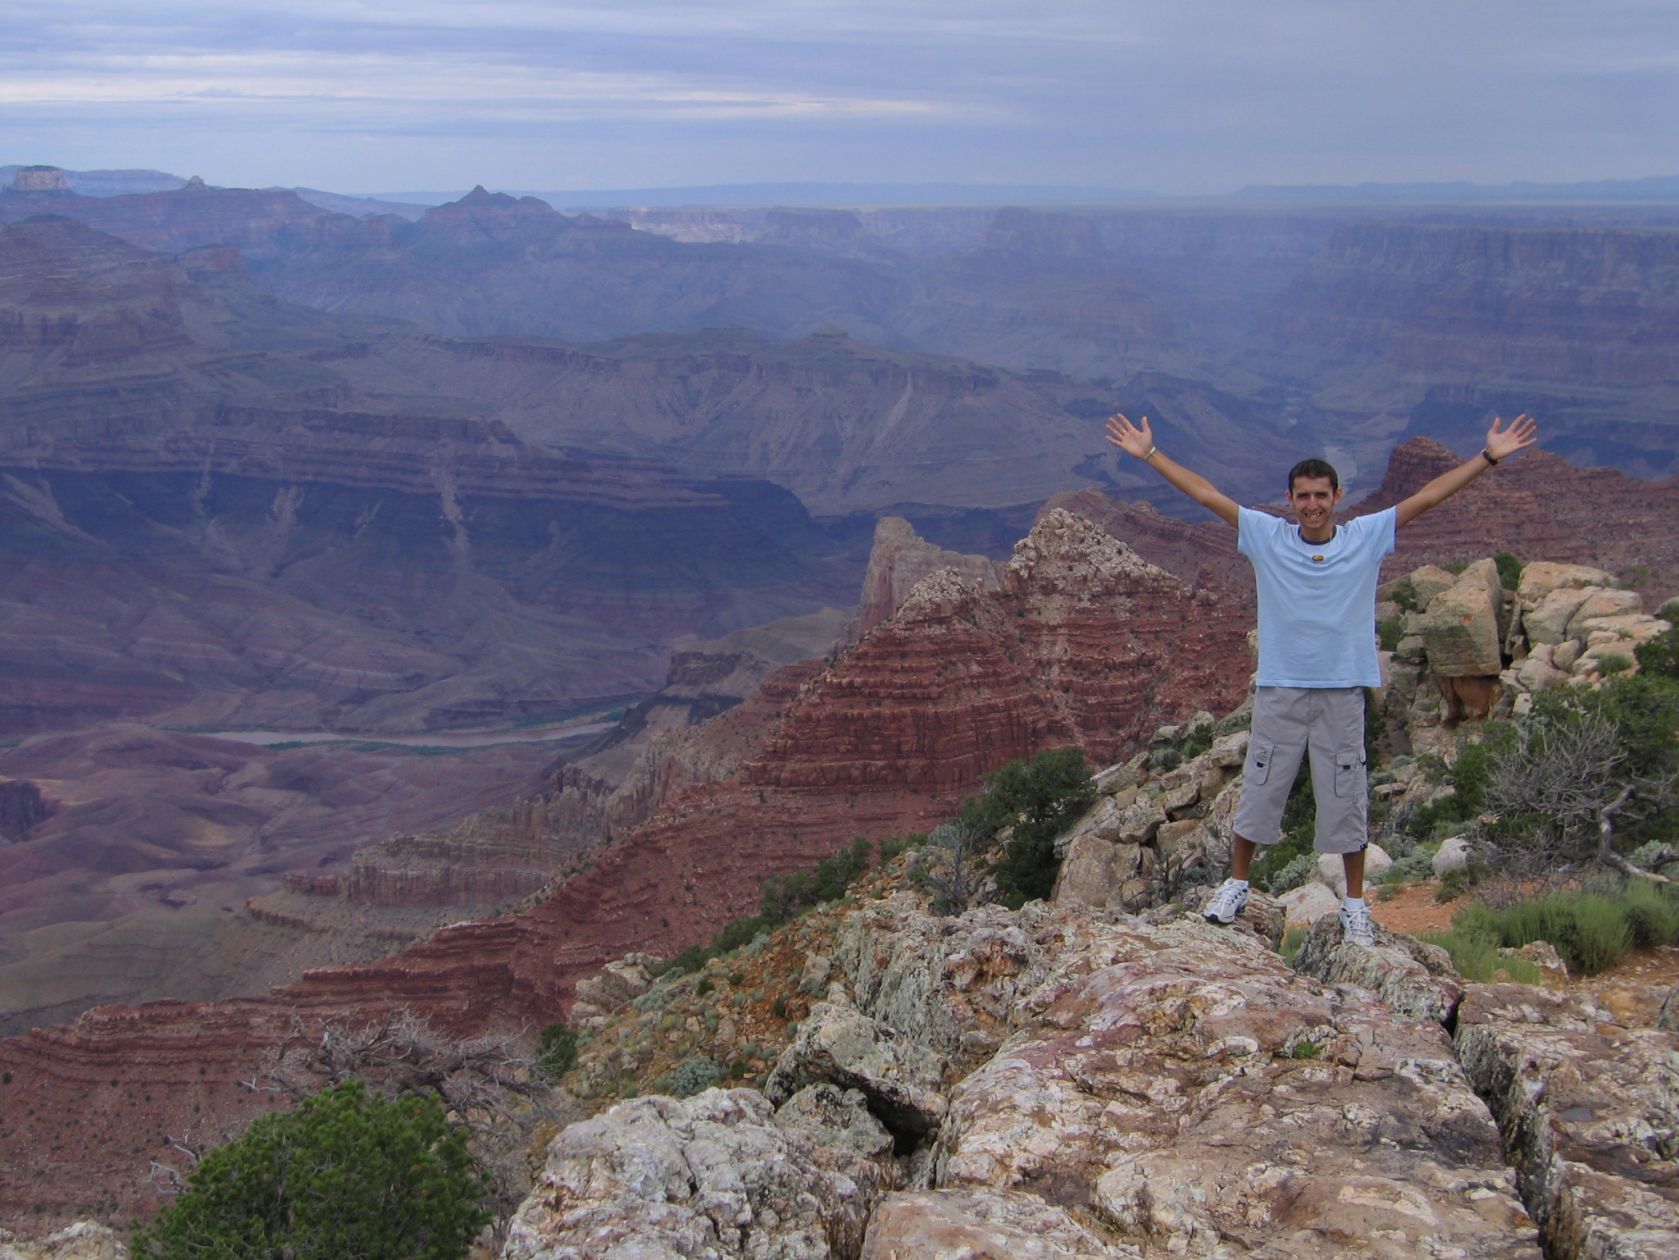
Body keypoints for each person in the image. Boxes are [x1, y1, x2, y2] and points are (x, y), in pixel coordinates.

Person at [1105, 412, 1539, 945]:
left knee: (1346, 795)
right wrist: (1150, 455)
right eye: (1303, 496)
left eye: (1321, 495)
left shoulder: (1365, 536)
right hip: (1282, 688)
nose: (1312, 505)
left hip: (1341, 691)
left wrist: (1488, 456)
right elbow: (1206, 495)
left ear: (1336, 496)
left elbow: (1427, 497)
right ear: (1291, 500)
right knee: (1261, 790)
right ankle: (1236, 886)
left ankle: (1355, 905)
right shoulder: (1267, 537)